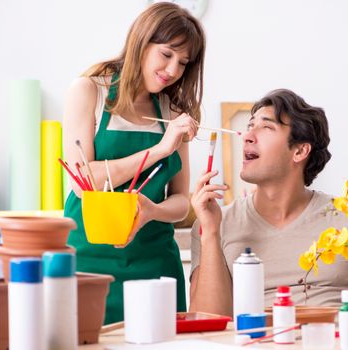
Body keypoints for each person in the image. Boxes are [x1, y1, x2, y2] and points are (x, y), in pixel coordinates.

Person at [189, 89, 348, 316]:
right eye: (250, 126)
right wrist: (210, 232)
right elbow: (208, 324)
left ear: (299, 151)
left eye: (266, 127)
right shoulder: (214, 224)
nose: (247, 136)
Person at [63, 2, 205, 324]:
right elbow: (83, 181)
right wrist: (158, 150)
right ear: (141, 41)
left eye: (183, 63)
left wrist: (150, 211)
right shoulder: (89, 91)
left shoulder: (172, 112)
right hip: (88, 260)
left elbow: (182, 202)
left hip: (155, 264)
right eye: (167, 54)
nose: (173, 70)